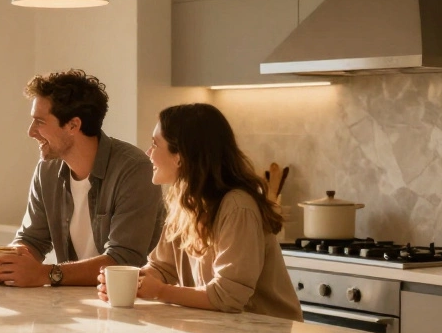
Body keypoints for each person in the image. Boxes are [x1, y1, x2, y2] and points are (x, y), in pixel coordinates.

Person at [97, 103, 302, 321]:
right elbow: (163, 268)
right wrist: (130, 283)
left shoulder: (238, 207)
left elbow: (228, 296)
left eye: (155, 144)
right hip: (228, 332)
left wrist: (160, 291)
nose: (148, 153)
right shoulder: (184, 204)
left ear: (180, 156)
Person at [0, 70, 164, 288]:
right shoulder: (47, 170)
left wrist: (47, 274)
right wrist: (7, 262)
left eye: (39, 122)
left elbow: (125, 259)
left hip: (130, 305)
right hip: (73, 302)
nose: (31, 132)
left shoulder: (134, 169)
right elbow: (32, 240)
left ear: (73, 125)